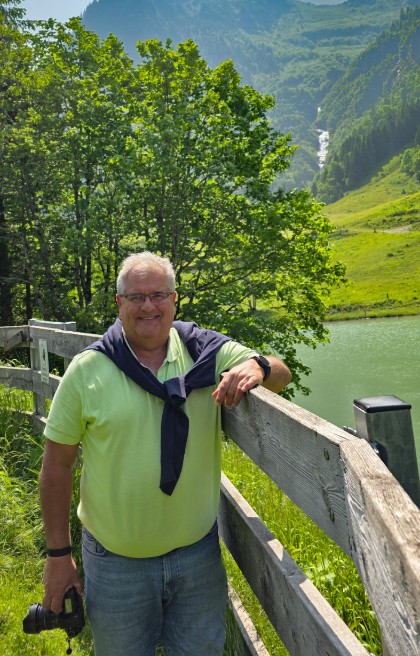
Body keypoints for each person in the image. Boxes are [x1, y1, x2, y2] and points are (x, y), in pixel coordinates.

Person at [40, 251, 291, 656]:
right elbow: (56, 464)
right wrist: (58, 555)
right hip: (115, 564)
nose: (148, 306)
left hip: (197, 557)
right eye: (136, 297)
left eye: (158, 295)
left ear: (174, 300)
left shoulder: (206, 353)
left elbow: (282, 374)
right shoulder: (88, 370)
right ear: (119, 303)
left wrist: (258, 366)